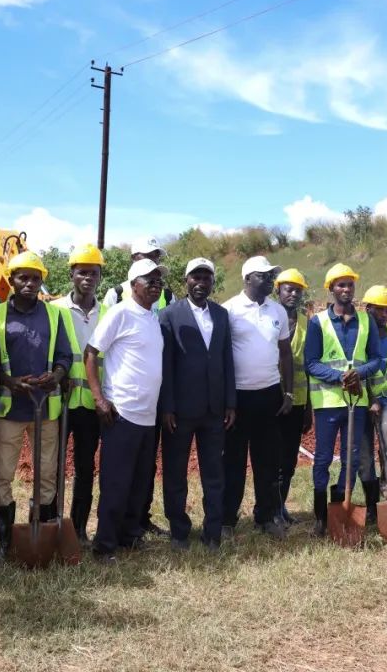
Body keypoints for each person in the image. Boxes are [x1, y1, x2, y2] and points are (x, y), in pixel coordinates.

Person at [0, 251, 72, 561]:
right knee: (3, 475)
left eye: (35, 278)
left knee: (47, 474)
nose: (29, 283)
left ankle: (41, 535)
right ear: (11, 280)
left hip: (45, 410)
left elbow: (64, 356)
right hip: (10, 410)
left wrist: (57, 375)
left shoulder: (54, 315)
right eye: (23, 277)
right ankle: (5, 542)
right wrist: (9, 382)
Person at [86, 258, 166, 563]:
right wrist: (99, 398)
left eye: (159, 281)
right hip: (122, 413)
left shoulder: (152, 318)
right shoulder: (120, 313)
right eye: (150, 281)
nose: (156, 286)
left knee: (139, 481)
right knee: (116, 482)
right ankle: (104, 544)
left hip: (147, 415)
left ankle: (129, 536)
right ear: (133, 285)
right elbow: (91, 353)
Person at [159, 258, 236, 551]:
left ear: (212, 282)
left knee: (214, 474)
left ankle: (212, 532)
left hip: (215, 410)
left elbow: (227, 360)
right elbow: (165, 365)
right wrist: (167, 406)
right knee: (175, 473)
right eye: (196, 277)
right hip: (179, 411)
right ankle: (179, 531)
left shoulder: (221, 314)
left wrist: (230, 402)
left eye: (206, 278)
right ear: (186, 281)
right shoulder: (169, 315)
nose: (201, 283)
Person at [104, 236, 174, 537]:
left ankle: (136, 527)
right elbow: (98, 349)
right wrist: (102, 397)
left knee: (144, 471)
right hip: (123, 405)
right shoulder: (117, 298)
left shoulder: (161, 301)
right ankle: (108, 536)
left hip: (150, 405)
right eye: (145, 257)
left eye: (155, 257)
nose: (151, 261)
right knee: (118, 475)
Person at [305, 264, 383, 536]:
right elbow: (311, 363)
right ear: (331, 288)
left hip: (356, 402)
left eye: (350, 284)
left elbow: (376, 359)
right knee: (323, 458)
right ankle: (320, 518)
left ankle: (340, 506)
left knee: (352, 458)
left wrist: (358, 373)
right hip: (328, 403)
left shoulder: (366, 321)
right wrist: (340, 377)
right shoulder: (318, 322)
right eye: (341, 284)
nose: (346, 289)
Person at [223, 256, 295, 539]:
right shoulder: (229, 310)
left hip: (269, 396)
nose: (269, 280)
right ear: (247, 279)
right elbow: (221, 356)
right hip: (238, 398)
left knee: (268, 461)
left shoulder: (277, 311)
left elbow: (285, 354)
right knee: (233, 461)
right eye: (263, 276)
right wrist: (225, 398)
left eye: (271, 276)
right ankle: (227, 519)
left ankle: (266, 516)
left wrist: (288, 392)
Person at [51, 243, 107, 543]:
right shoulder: (55, 309)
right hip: (59, 402)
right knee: (53, 467)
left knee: (86, 468)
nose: (88, 278)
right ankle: (50, 524)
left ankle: (79, 529)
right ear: (71, 274)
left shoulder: (108, 313)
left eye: (93, 273)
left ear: (100, 276)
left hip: (91, 404)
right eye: (82, 272)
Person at [274, 268, 312, 524]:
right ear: (278, 290)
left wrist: (308, 408)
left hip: (297, 402)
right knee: (271, 459)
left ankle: (280, 507)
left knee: (288, 460)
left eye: (298, 290)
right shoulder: (270, 319)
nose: (294, 294)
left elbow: (309, 367)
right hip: (271, 401)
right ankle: (268, 509)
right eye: (289, 289)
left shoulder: (308, 324)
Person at [362, 285, 387, 499]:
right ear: (368, 309)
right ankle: (371, 499)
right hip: (363, 400)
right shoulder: (361, 334)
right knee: (365, 453)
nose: (385, 314)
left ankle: (386, 484)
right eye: (380, 309)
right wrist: (371, 398)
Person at [102, 236, 174, 310]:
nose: (154, 260)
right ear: (133, 258)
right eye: (148, 255)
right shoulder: (115, 295)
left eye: (157, 256)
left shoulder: (168, 296)